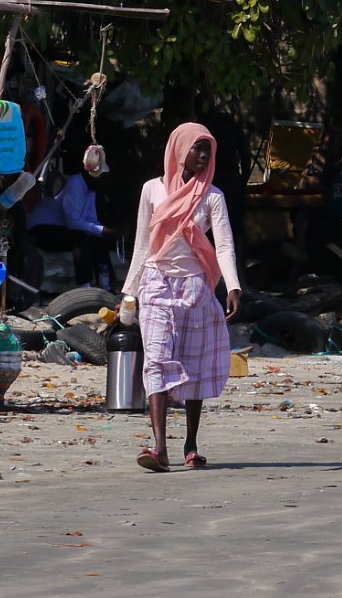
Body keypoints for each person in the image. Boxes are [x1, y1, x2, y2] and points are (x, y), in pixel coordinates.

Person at [120, 123, 241, 473]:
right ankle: (159, 447)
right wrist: (130, 292)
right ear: (179, 149)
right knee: (155, 361)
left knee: (193, 365)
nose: (203, 156)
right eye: (197, 149)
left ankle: (190, 442)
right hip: (156, 285)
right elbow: (142, 244)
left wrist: (232, 285)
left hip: (196, 289)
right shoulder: (151, 190)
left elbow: (224, 244)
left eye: (208, 150)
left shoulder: (213, 197)